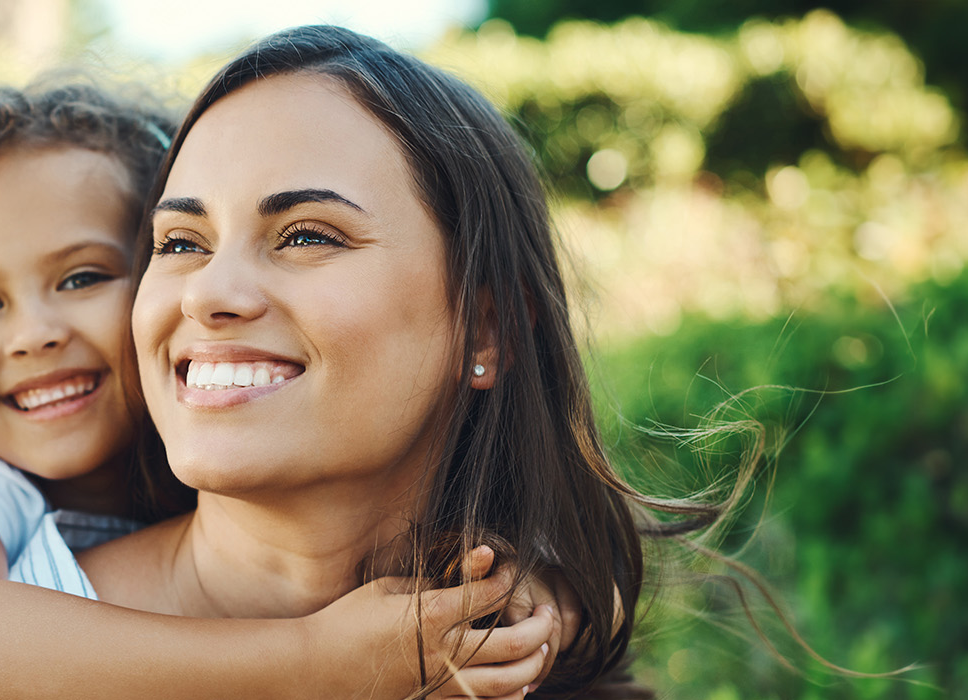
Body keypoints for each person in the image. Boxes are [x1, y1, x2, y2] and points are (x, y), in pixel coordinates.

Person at [0, 76, 578, 700]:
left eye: (82, 277)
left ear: (489, 328)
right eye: (184, 242)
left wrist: (514, 597)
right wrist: (322, 661)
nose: (34, 333)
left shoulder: (182, 445)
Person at [63, 25, 696, 698]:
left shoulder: (532, 650)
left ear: (488, 328)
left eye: (306, 235)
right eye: (182, 242)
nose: (208, 293)